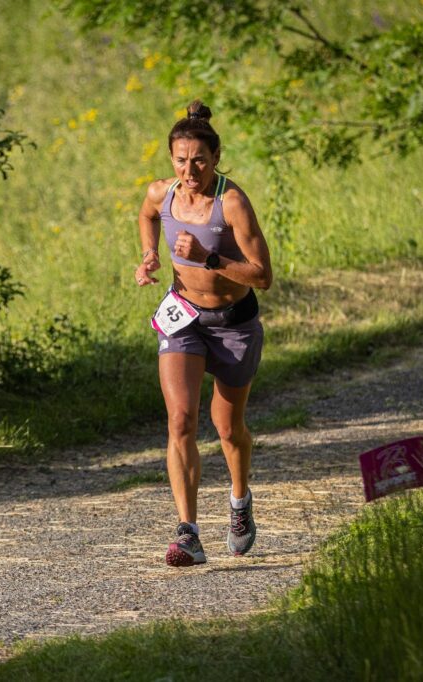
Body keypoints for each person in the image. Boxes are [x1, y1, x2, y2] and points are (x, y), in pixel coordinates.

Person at [134, 100, 273, 567]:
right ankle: (188, 532)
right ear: (171, 160)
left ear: (215, 158)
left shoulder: (230, 202)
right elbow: (147, 215)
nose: (189, 170)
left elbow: (262, 275)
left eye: (198, 160)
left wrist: (210, 258)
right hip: (184, 315)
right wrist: (151, 254)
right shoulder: (163, 193)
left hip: (234, 324)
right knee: (180, 422)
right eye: (180, 160)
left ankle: (238, 502)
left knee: (228, 429)